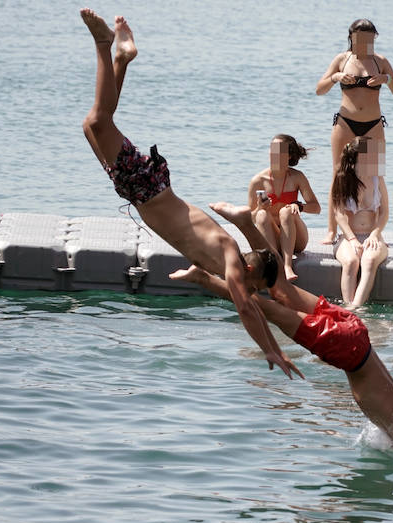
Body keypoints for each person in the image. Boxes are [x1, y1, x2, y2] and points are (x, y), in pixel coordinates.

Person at [78, 8, 296, 378]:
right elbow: (247, 309)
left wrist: (197, 273)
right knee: (100, 122)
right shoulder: (230, 257)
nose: (248, 291)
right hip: (148, 190)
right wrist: (272, 351)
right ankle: (106, 45)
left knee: (92, 125)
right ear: (250, 272)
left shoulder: (226, 259)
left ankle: (122, 58)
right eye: (254, 286)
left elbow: (244, 296)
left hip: (143, 192)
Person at [172, 202, 393, 443]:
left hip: (350, 338)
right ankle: (233, 240)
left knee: (275, 295)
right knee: (275, 298)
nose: (249, 288)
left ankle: (233, 239)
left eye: (251, 283)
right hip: (349, 339)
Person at [316, 19, 393, 245]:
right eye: (360, 38)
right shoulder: (342, 59)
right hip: (346, 123)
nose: (365, 43)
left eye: (369, 38)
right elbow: (319, 89)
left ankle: (376, 229)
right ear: (351, 38)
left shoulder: (380, 61)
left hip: (373, 125)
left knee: (377, 174)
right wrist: (335, 78)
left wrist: (387, 79)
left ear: (374, 37)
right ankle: (331, 229)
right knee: (338, 174)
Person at [248, 134, 321, 282]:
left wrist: (298, 206)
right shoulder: (258, 180)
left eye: (278, 150)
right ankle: (275, 262)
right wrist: (259, 208)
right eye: (272, 149)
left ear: (289, 155)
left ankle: (287, 266)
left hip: (296, 239)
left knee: (286, 211)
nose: (273, 153)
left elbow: (316, 208)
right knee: (261, 215)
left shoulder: (297, 177)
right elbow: (250, 218)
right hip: (272, 237)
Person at [331, 137, 390, 308]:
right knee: (351, 262)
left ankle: (355, 308)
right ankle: (348, 306)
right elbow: (339, 214)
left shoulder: (377, 178)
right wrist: (352, 239)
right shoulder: (343, 177)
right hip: (348, 236)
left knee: (369, 261)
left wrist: (374, 234)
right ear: (361, 156)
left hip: (373, 235)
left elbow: (385, 212)